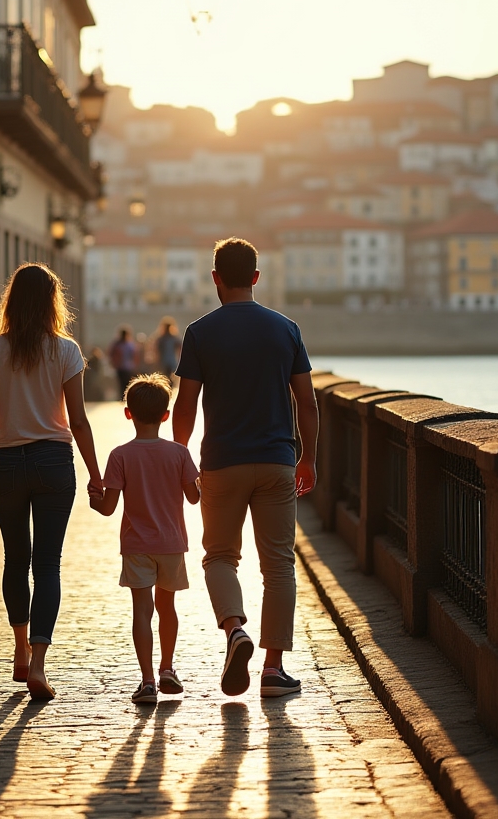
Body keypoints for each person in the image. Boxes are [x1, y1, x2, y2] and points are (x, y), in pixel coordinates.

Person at [172, 238, 319, 699]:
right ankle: (273, 670)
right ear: (256, 277)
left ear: (215, 278)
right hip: (277, 461)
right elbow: (307, 402)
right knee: (278, 564)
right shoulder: (286, 329)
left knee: (219, 556)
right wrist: (309, 457)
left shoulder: (200, 332)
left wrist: (181, 456)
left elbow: (186, 405)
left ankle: (235, 630)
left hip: (221, 463)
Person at [0, 263, 103, 702]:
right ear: (51, 302)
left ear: (12, 301)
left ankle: (20, 650)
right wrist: (96, 473)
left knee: (15, 560)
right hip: (53, 462)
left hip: (5, 464)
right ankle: (39, 664)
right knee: (47, 564)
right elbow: (78, 421)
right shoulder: (66, 351)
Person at [89, 373, 200, 704]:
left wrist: (95, 499)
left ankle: (148, 681)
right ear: (166, 415)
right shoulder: (179, 454)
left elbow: (108, 508)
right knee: (168, 607)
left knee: (142, 611)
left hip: (136, 544)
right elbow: (194, 498)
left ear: (128, 413)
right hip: (171, 543)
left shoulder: (120, 455)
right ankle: (167, 668)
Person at [107, 326, 140, 398]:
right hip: (122, 367)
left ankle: (126, 396)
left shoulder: (129, 344)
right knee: (122, 383)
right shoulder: (119, 345)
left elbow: (134, 355)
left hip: (128, 367)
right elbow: (111, 354)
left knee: (127, 382)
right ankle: (123, 396)